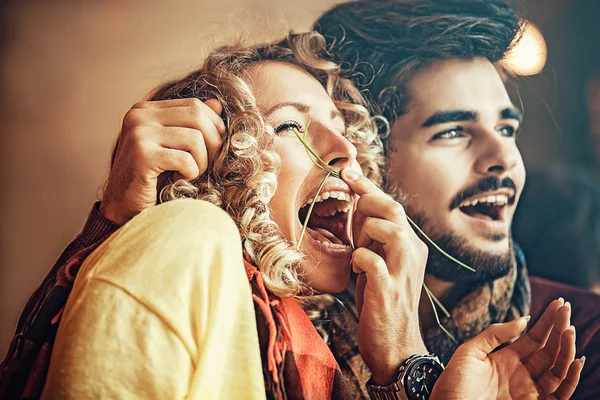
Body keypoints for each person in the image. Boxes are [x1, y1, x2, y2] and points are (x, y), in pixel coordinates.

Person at [0, 31, 583, 400]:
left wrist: (405, 373)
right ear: (211, 171)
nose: (346, 151)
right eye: (288, 126)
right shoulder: (189, 233)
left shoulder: (332, 355)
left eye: (345, 128)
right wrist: (117, 229)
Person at [312, 0, 600, 398]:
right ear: (363, 159)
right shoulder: (280, 335)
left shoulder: (583, 346)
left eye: (506, 128)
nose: (505, 159)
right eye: (453, 132)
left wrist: (403, 366)